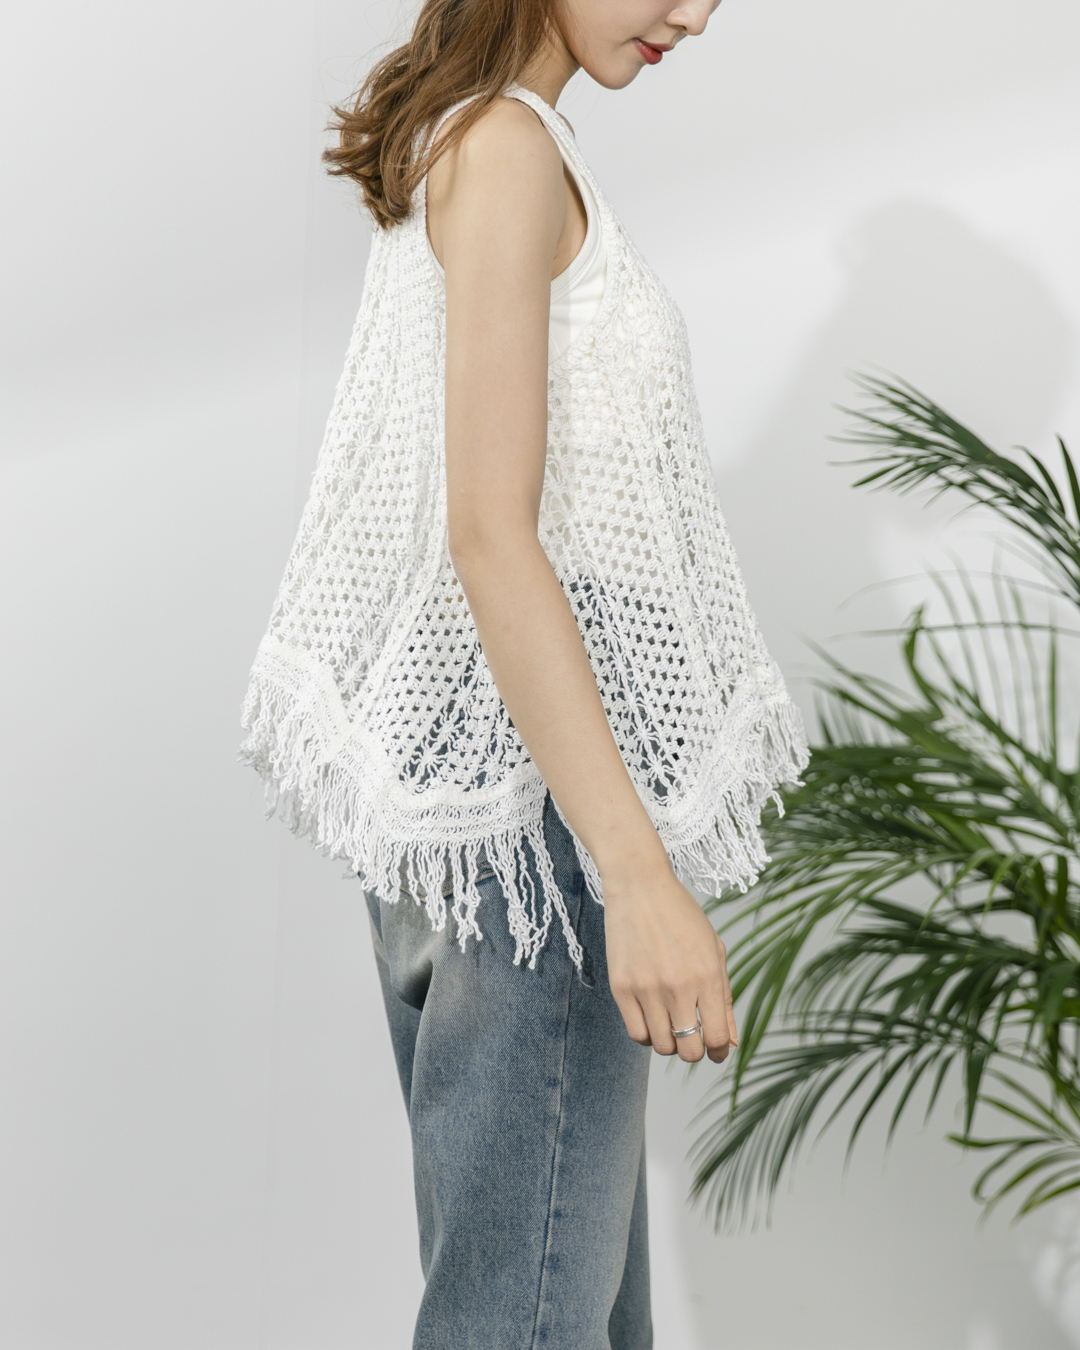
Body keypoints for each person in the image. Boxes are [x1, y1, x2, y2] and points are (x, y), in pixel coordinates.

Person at [241, 0, 808, 1343]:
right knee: (527, 1318)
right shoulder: (503, 146)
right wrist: (637, 873)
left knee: (560, 1313)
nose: (698, 14)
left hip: (480, 785)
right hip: (534, 817)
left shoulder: (475, 135)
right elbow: (492, 534)